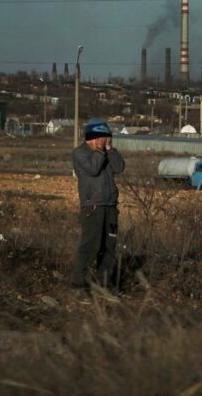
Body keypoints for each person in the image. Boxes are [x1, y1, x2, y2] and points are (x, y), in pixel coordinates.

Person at [70, 118, 125, 295]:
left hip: (110, 205)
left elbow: (119, 167)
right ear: (93, 137)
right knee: (90, 246)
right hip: (92, 206)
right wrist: (100, 150)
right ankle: (78, 286)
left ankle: (105, 285)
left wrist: (109, 149)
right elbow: (93, 169)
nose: (105, 140)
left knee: (109, 248)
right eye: (103, 137)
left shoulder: (105, 153)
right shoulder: (80, 153)